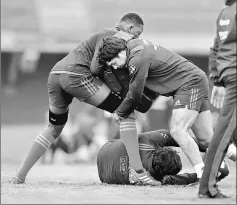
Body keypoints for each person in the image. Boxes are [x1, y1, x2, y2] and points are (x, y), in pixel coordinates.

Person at [11, 13, 159, 186]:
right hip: (76, 75)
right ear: (129, 27)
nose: (137, 38)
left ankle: (19, 176)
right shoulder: (118, 36)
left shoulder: (103, 35)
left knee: (53, 128)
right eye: (137, 33)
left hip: (56, 75)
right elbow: (95, 68)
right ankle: (138, 172)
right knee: (126, 113)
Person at [96, 36, 236, 181]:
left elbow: (135, 94)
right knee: (206, 139)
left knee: (177, 130)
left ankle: (203, 174)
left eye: (114, 62)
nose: (115, 67)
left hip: (189, 84)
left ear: (120, 53)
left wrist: (120, 112)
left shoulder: (136, 60)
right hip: (195, 80)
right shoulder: (134, 46)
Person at [198, 0, 237, 199]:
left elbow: (215, 48)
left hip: (229, 74)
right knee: (224, 132)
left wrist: (217, 79)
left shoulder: (225, 12)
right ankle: (207, 187)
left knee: (228, 129)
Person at [97, 129, 229, 185]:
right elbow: (184, 179)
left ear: (161, 150)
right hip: (105, 177)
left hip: (104, 151)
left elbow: (175, 137)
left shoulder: (149, 140)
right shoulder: (155, 179)